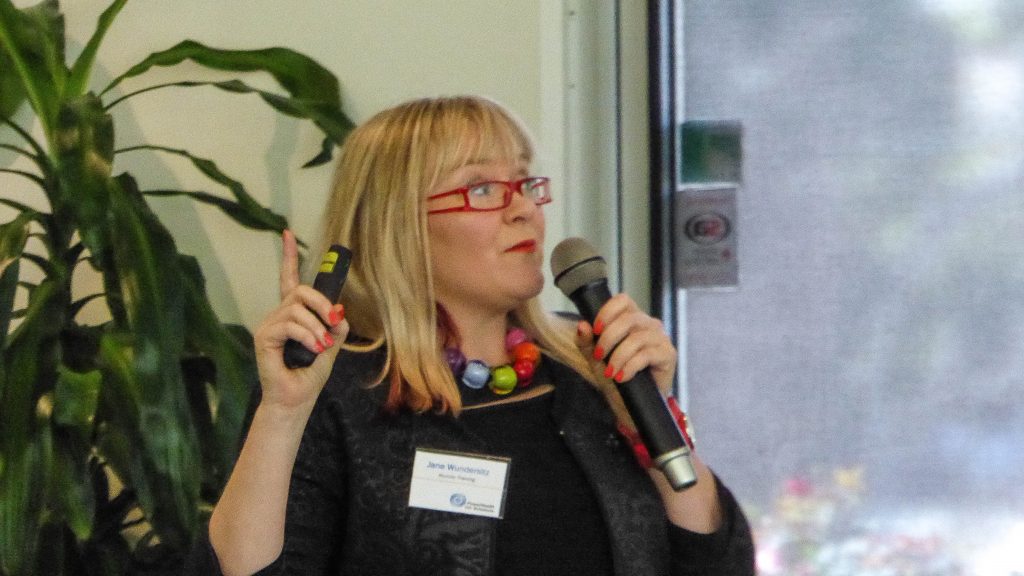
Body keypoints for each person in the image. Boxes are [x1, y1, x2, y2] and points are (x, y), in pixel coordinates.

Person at [187, 95, 755, 576]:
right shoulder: (334, 387)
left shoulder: (589, 367)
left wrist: (646, 416)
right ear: (399, 223)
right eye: (481, 188)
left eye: (525, 183)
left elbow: (719, 562)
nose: (523, 209)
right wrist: (283, 414)